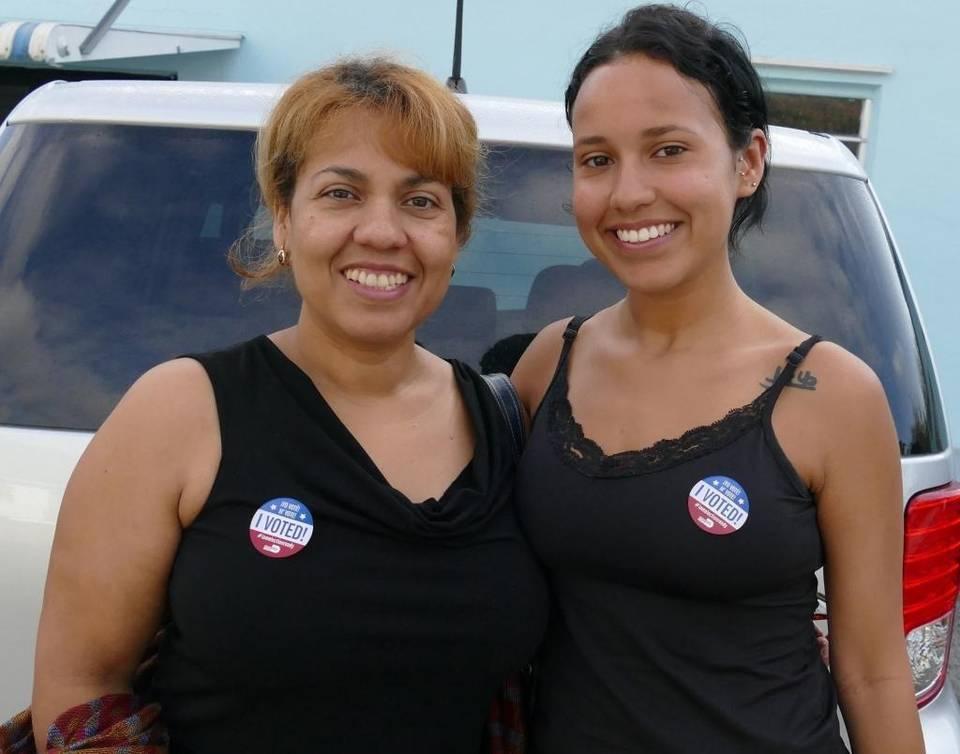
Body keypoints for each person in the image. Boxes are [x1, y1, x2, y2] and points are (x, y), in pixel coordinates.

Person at [29, 58, 549, 753]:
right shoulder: (182, 412)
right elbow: (80, 697)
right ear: (283, 217)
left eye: (420, 201)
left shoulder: (508, 426)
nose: (382, 231)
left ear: (456, 237)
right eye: (341, 194)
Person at [511, 6, 924, 753]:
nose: (629, 192)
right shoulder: (548, 364)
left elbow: (872, 674)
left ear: (748, 161)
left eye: (669, 150)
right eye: (596, 159)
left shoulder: (832, 394)